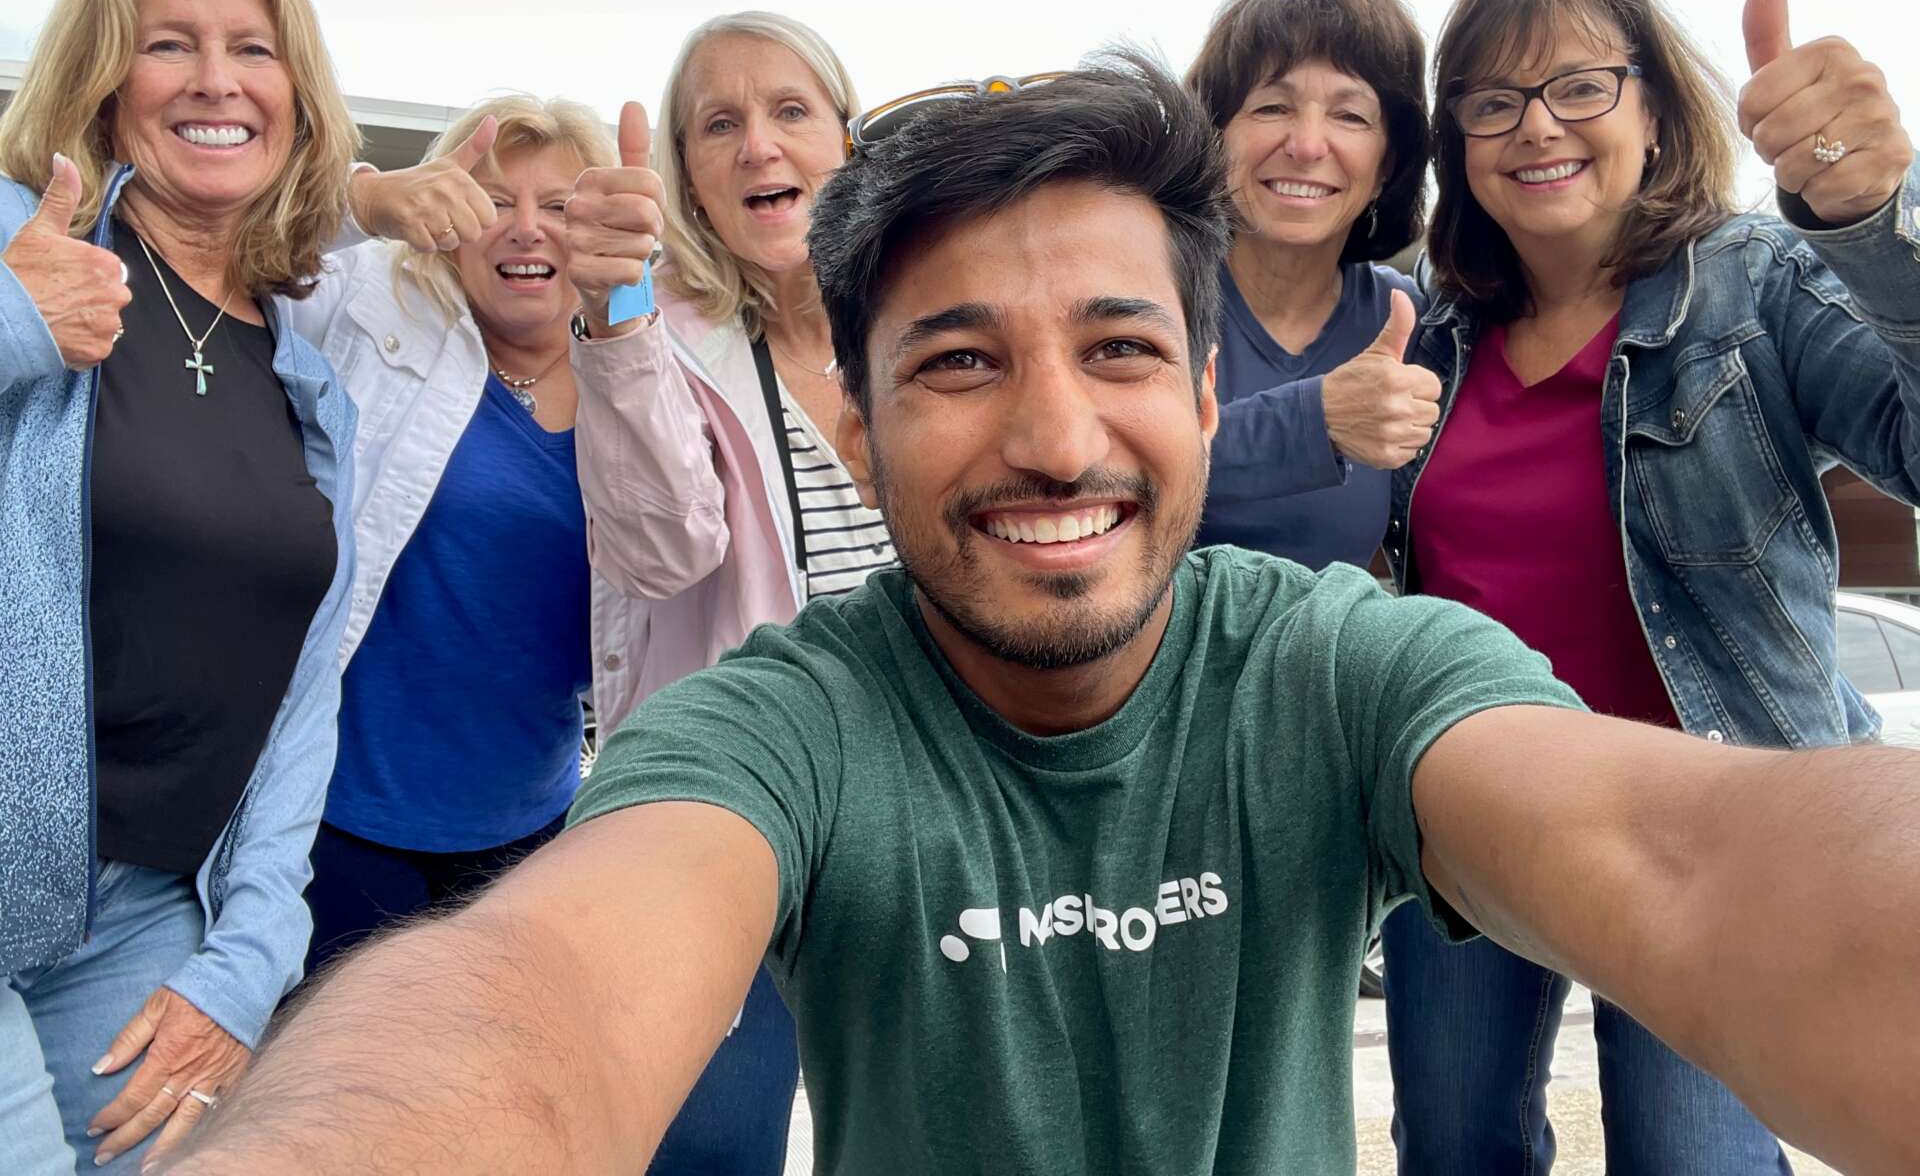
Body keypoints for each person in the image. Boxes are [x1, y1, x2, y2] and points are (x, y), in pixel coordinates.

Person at [160, 58, 1920, 1176]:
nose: (1058, 437)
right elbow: (529, 997)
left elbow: (1688, 856)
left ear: (1210, 398)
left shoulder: (1337, 669)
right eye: (958, 363)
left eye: (1121, 347)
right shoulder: (782, 727)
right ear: (860, 424)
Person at [1378, 0, 1920, 1175]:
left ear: (1657, 110)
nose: (1536, 127)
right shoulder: (1426, 324)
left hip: (1703, 823)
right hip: (1470, 807)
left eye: (1580, 85)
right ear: (1458, 141)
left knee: (1693, 1161)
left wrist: (1879, 222)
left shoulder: (1754, 280)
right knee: (1454, 1150)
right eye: (1493, 101)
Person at [0, 0, 365, 1173]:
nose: (217, 80)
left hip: (148, 912)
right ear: (105, 81)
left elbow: (301, 701)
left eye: (253, 49)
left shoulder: (310, 383)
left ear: (297, 98)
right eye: (169, 44)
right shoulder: (19, 240)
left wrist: (248, 961)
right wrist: (13, 317)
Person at [552, 11, 889, 1171]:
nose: (759, 146)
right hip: (744, 818)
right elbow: (663, 549)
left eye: (791, 111)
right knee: (710, 1148)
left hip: (923, 813)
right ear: (686, 176)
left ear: (847, 137)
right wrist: (617, 314)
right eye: (719, 124)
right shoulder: (661, 335)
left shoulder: (925, 317)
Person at [285, 95, 726, 978]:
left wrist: (621, 321)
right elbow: (233, 250)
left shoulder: (653, 363)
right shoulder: (371, 305)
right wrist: (360, 197)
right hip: (337, 815)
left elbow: (674, 555)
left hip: (531, 827)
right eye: (492, 201)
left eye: (560, 206)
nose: (526, 228)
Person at [1187, 0, 1442, 568]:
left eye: (1349, 116)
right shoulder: (1148, 295)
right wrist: (1316, 419)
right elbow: (1103, 466)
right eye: (1272, 107)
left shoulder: (1405, 318)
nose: (1306, 145)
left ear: (1387, 164)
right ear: (1215, 136)